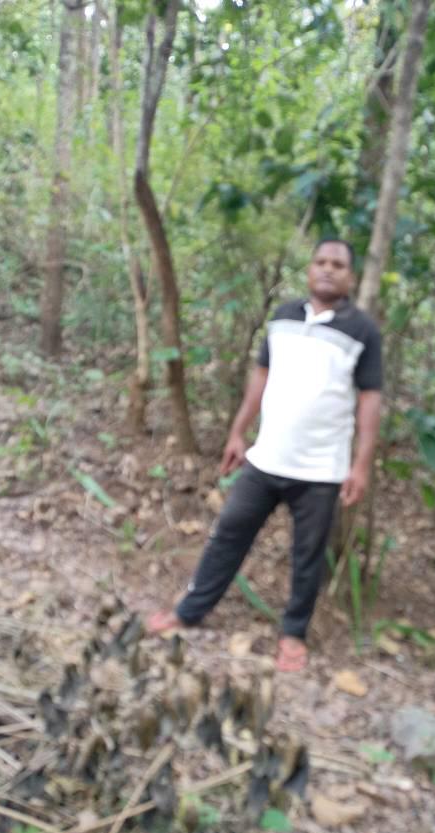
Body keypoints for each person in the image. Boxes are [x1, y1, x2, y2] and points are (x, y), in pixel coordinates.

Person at [147, 239, 382, 672]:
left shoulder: (362, 330)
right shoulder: (284, 316)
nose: (327, 269)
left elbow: (369, 400)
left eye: (337, 264)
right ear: (309, 269)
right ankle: (190, 611)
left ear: (350, 276)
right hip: (266, 458)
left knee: (307, 556)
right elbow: (261, 376)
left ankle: (293, 635)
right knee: (228, 533)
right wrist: (238, 432)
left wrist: (361, 465)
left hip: (321, 470)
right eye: (320, 262)